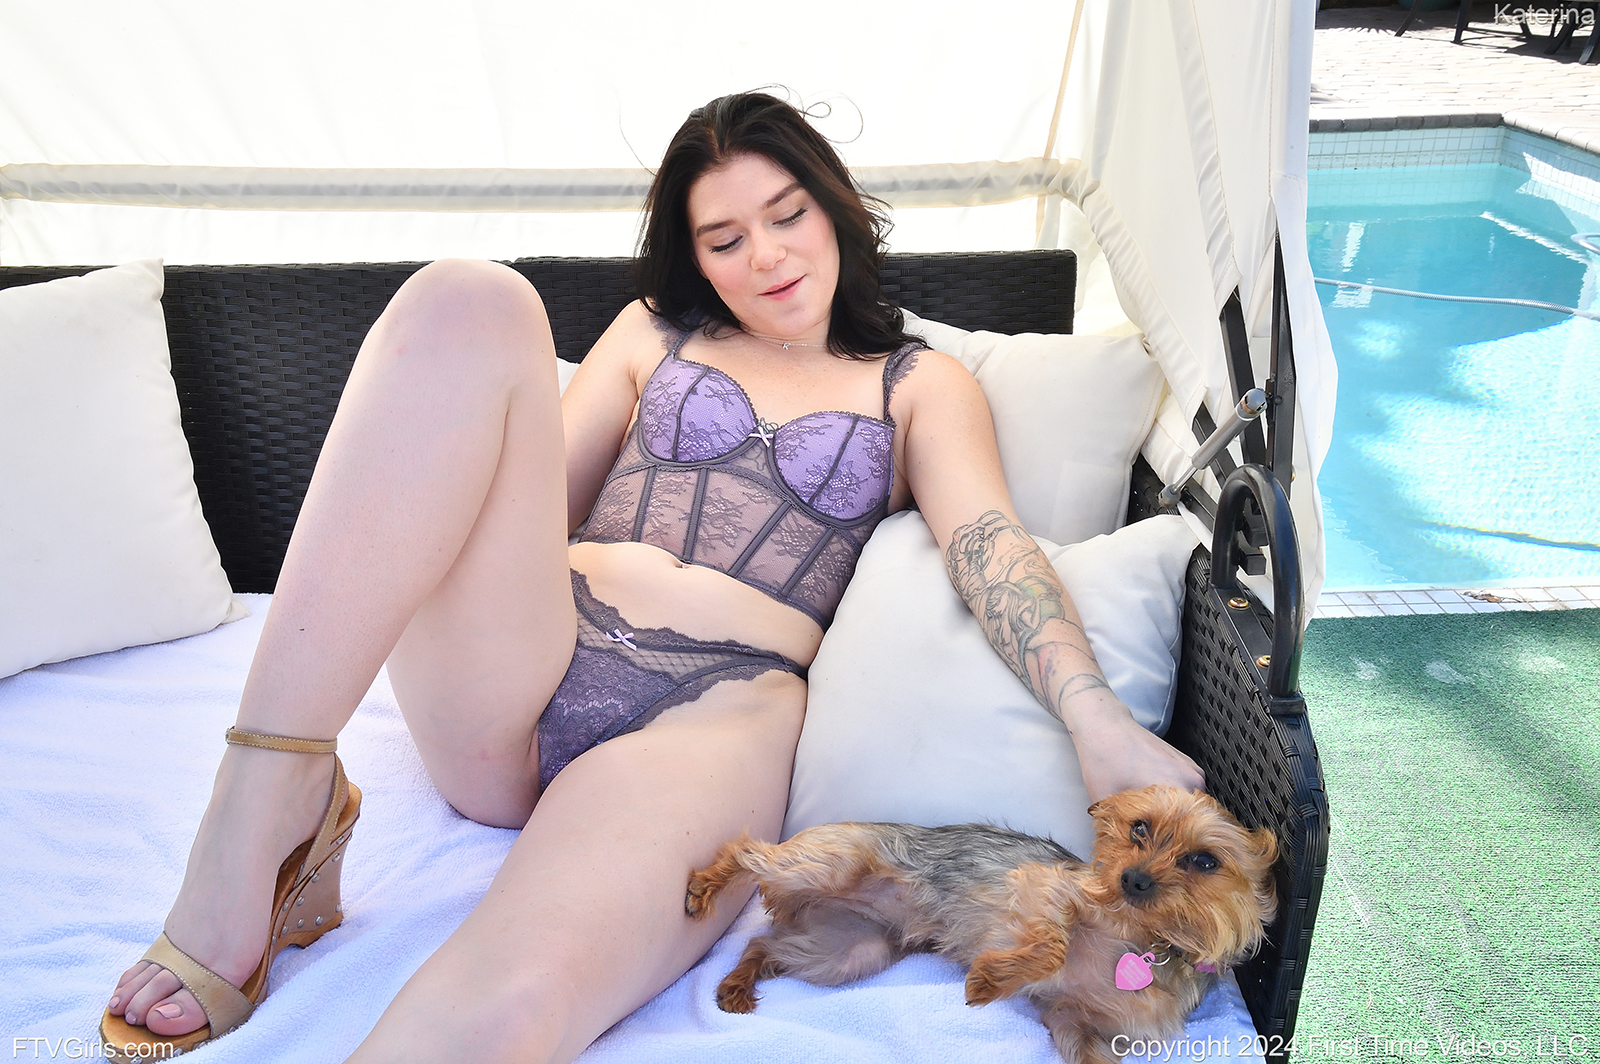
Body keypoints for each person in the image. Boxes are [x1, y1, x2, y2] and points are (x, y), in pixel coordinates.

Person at [101, 91, 1203, 1064]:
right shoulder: (650, 333)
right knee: (469, 297)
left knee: (509, 1005)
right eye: (724, 238)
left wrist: (1095, 718)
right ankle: (271, 793)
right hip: (530, 657)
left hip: (711, 713)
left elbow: (988, 548)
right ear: (695, 255)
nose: (765, 256)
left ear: (835, 209)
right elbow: (520, 498)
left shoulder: (919, 383)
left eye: (787, 215)